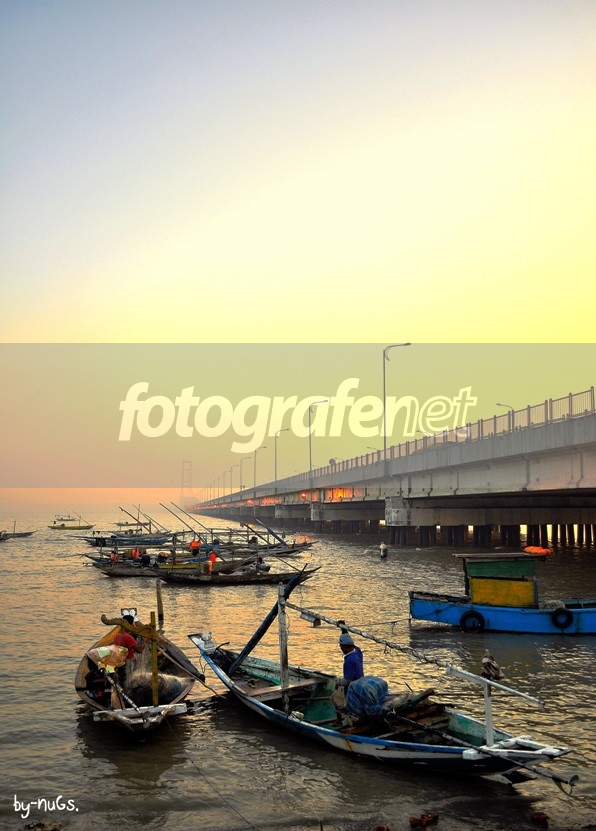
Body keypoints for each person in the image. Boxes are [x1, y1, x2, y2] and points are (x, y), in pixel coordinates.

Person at [113, 615, 146, 684]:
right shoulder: (128, 637)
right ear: (130, 624)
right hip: (127, 664)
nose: (134, 625)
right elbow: (139, 650)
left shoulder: (117, 635)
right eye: (133, 623)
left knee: (122, 681)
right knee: (128, 682)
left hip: (120, 663)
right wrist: (145, 640)